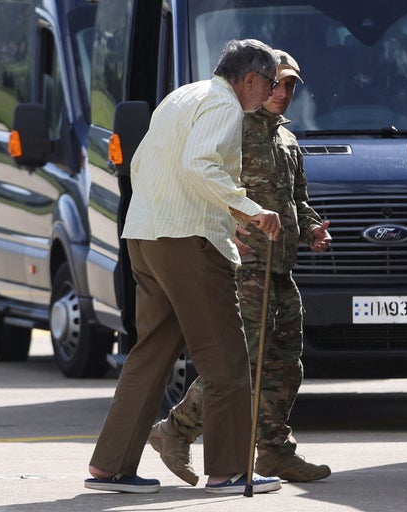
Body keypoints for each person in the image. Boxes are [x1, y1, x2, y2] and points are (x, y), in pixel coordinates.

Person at [84, 39, 284, 495]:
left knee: (150, 353)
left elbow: (143, 162)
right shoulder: (224, 106)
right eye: (271, 82)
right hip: (187, 243)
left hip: (146, 235)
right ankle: (228, 471)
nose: (273, 92)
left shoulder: (182, 95)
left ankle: (110, 467)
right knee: (226, 359)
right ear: (249, 79)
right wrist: (248, 208)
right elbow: (200, 164)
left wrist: (216, 213)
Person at [148, 49, 333, 486]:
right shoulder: (234, 124)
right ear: (259, 83)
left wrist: (310, 230)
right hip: (245, 263)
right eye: (277, 83)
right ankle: (174, 431)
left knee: (285, 363)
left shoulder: (286, 139)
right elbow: (206, 179)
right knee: (240, 363)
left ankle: (273, 451)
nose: (282, 93)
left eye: (290, 86)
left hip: (280, 265)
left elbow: (297, 199)